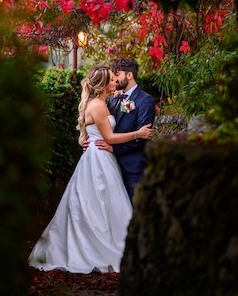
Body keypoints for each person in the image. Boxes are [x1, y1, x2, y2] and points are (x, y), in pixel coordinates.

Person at [28, 66, 154, 273]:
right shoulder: (97, 106)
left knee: (106, 203)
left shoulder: (105, 103)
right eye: (112, 80)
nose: (115, 83)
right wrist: (138, 134)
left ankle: (110, 243)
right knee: (95, 203)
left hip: (103, 156)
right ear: (104, 85)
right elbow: (110, 138)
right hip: (98, 159)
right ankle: (95, 249)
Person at [106, 57, 157, 202]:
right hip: (111, 164)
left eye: (117, 75)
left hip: (133, 166)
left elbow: (142, 137)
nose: (114, 80)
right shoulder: (112, 99)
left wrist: (114, 148)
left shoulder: (145, 100)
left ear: (129, 75)